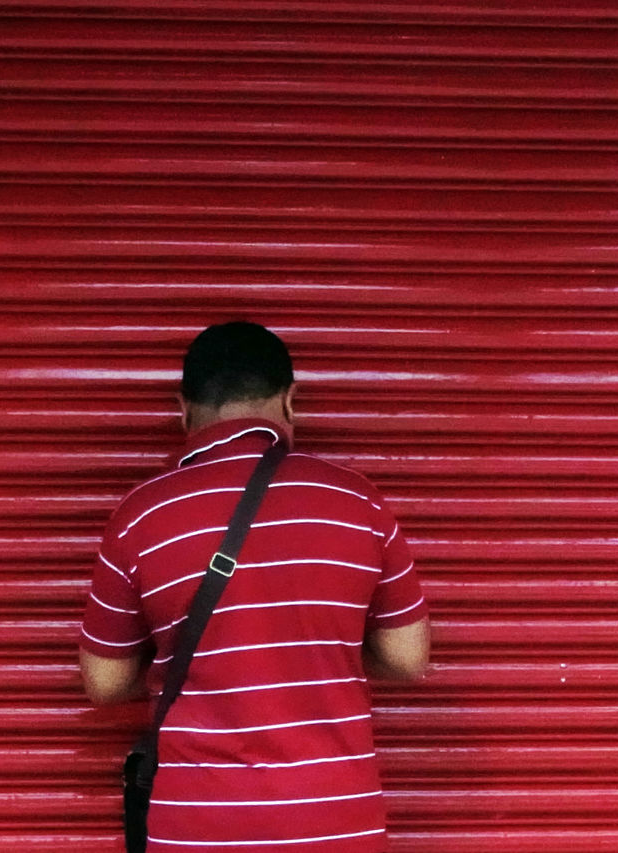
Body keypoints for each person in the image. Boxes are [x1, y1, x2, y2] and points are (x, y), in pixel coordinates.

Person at [79, 321, 429, 852]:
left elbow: (104, 684)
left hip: (198, 829)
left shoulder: (141, 517)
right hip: (334, 825)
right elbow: (407, 659)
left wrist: (198, 664)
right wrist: (316, 657)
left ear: (183, 408)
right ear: (290, 401)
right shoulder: (358, 504)